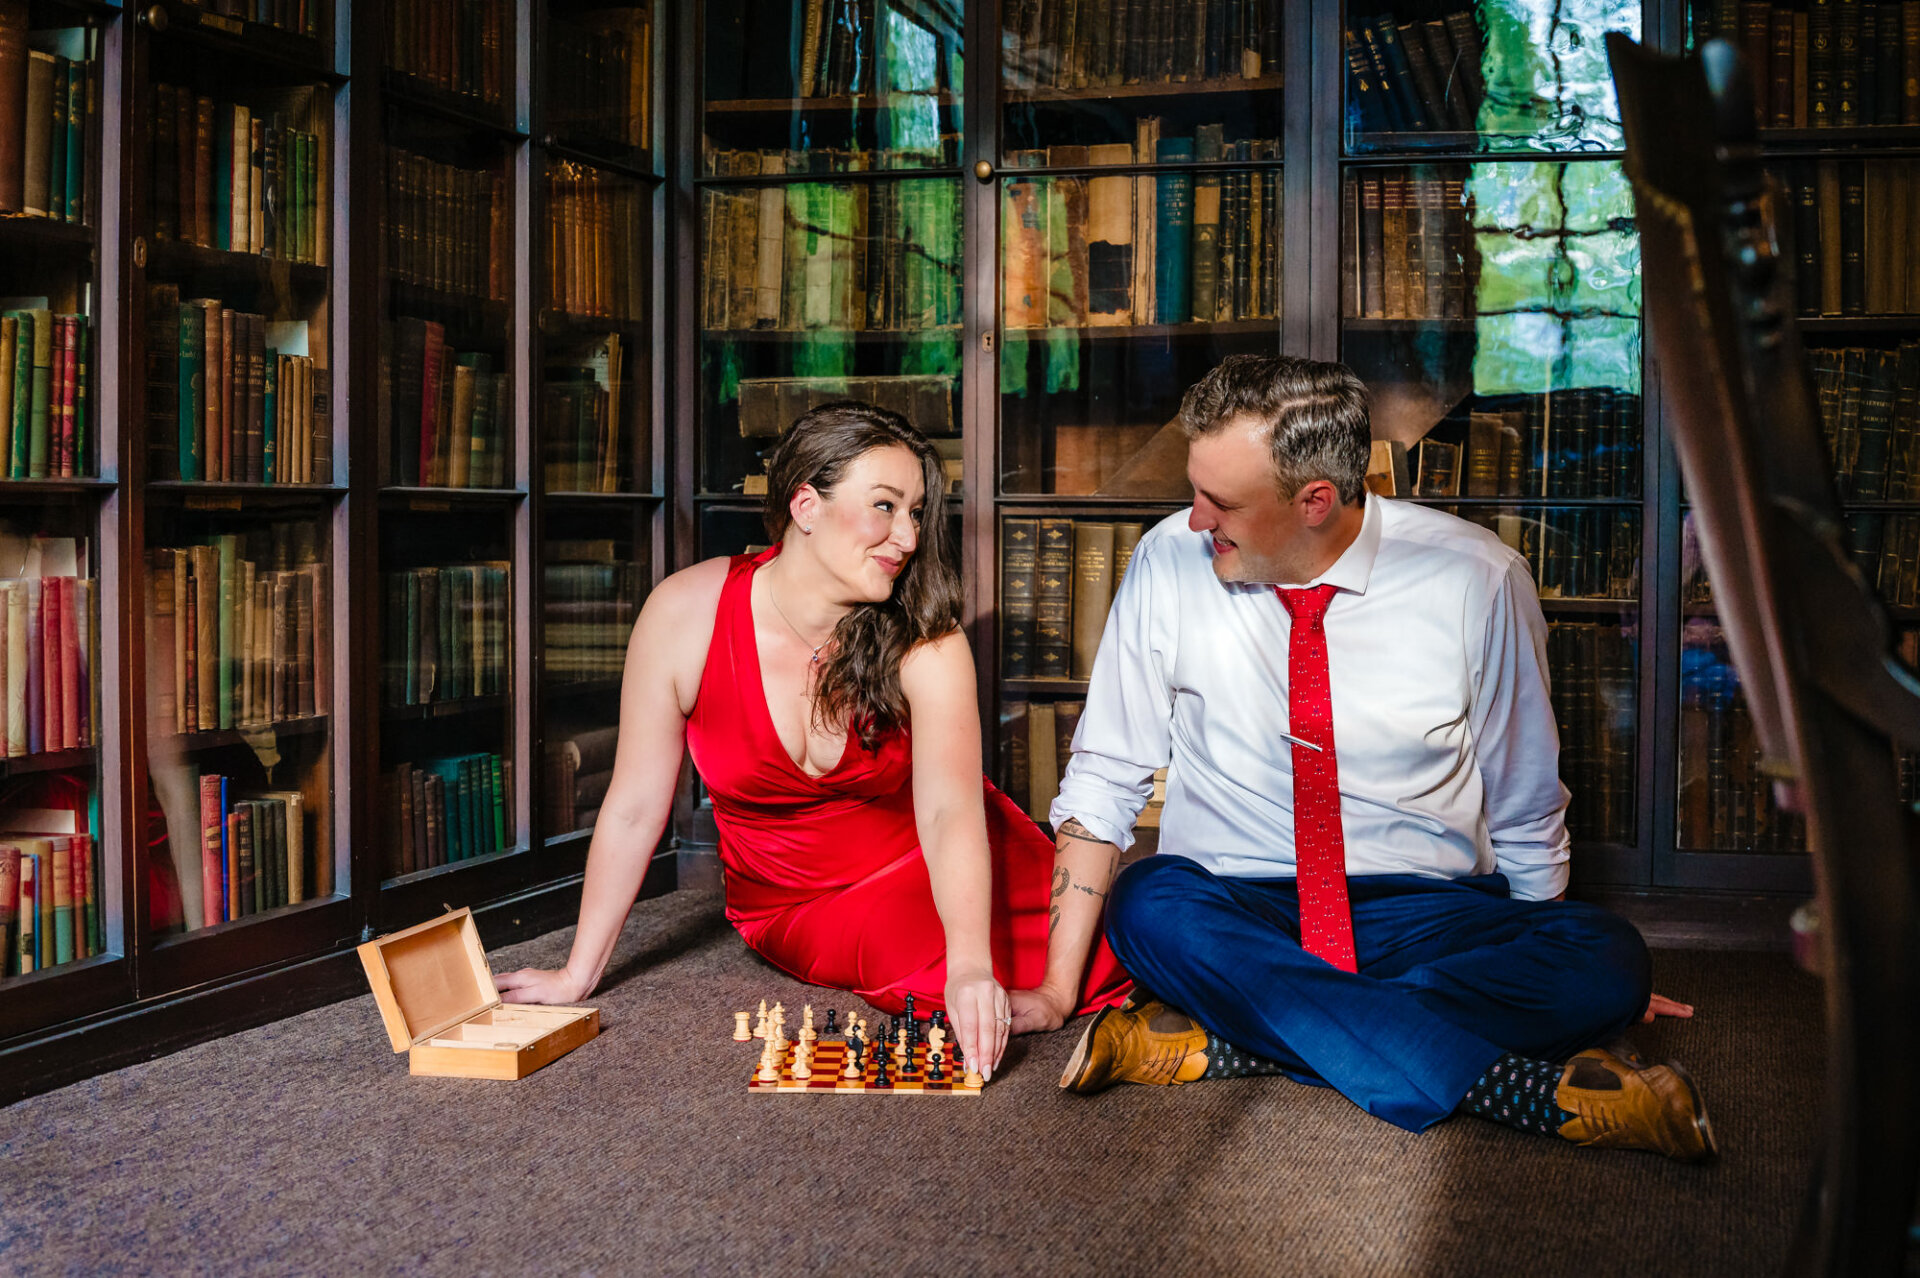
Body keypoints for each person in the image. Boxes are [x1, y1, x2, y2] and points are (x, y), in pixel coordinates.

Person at [1040, 355, 1715, 1161]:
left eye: (1220, 502)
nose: (1193, 521)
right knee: (1146, 902)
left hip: (1422, 910)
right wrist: (1053, 990)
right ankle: (1525, 1090)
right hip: (1238, 908)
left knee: (1609, 958)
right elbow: (1108, 774)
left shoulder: (1478, 578)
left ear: (1315, 501)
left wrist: (1553, 955)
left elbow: (1525, 799)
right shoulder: (1164, 562)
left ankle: (1229, 1042)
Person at [494, 402, 1130, 1074]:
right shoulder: (683, 615)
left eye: (916, 512)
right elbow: (632, 807)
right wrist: (576, 974)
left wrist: (973, 964)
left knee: (1115, 938)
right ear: (805, 505)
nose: (908, 537)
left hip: (948, 851)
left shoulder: (927, 637)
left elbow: (948, 813)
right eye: (884, 506)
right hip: (798, 902)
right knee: (921, 965)